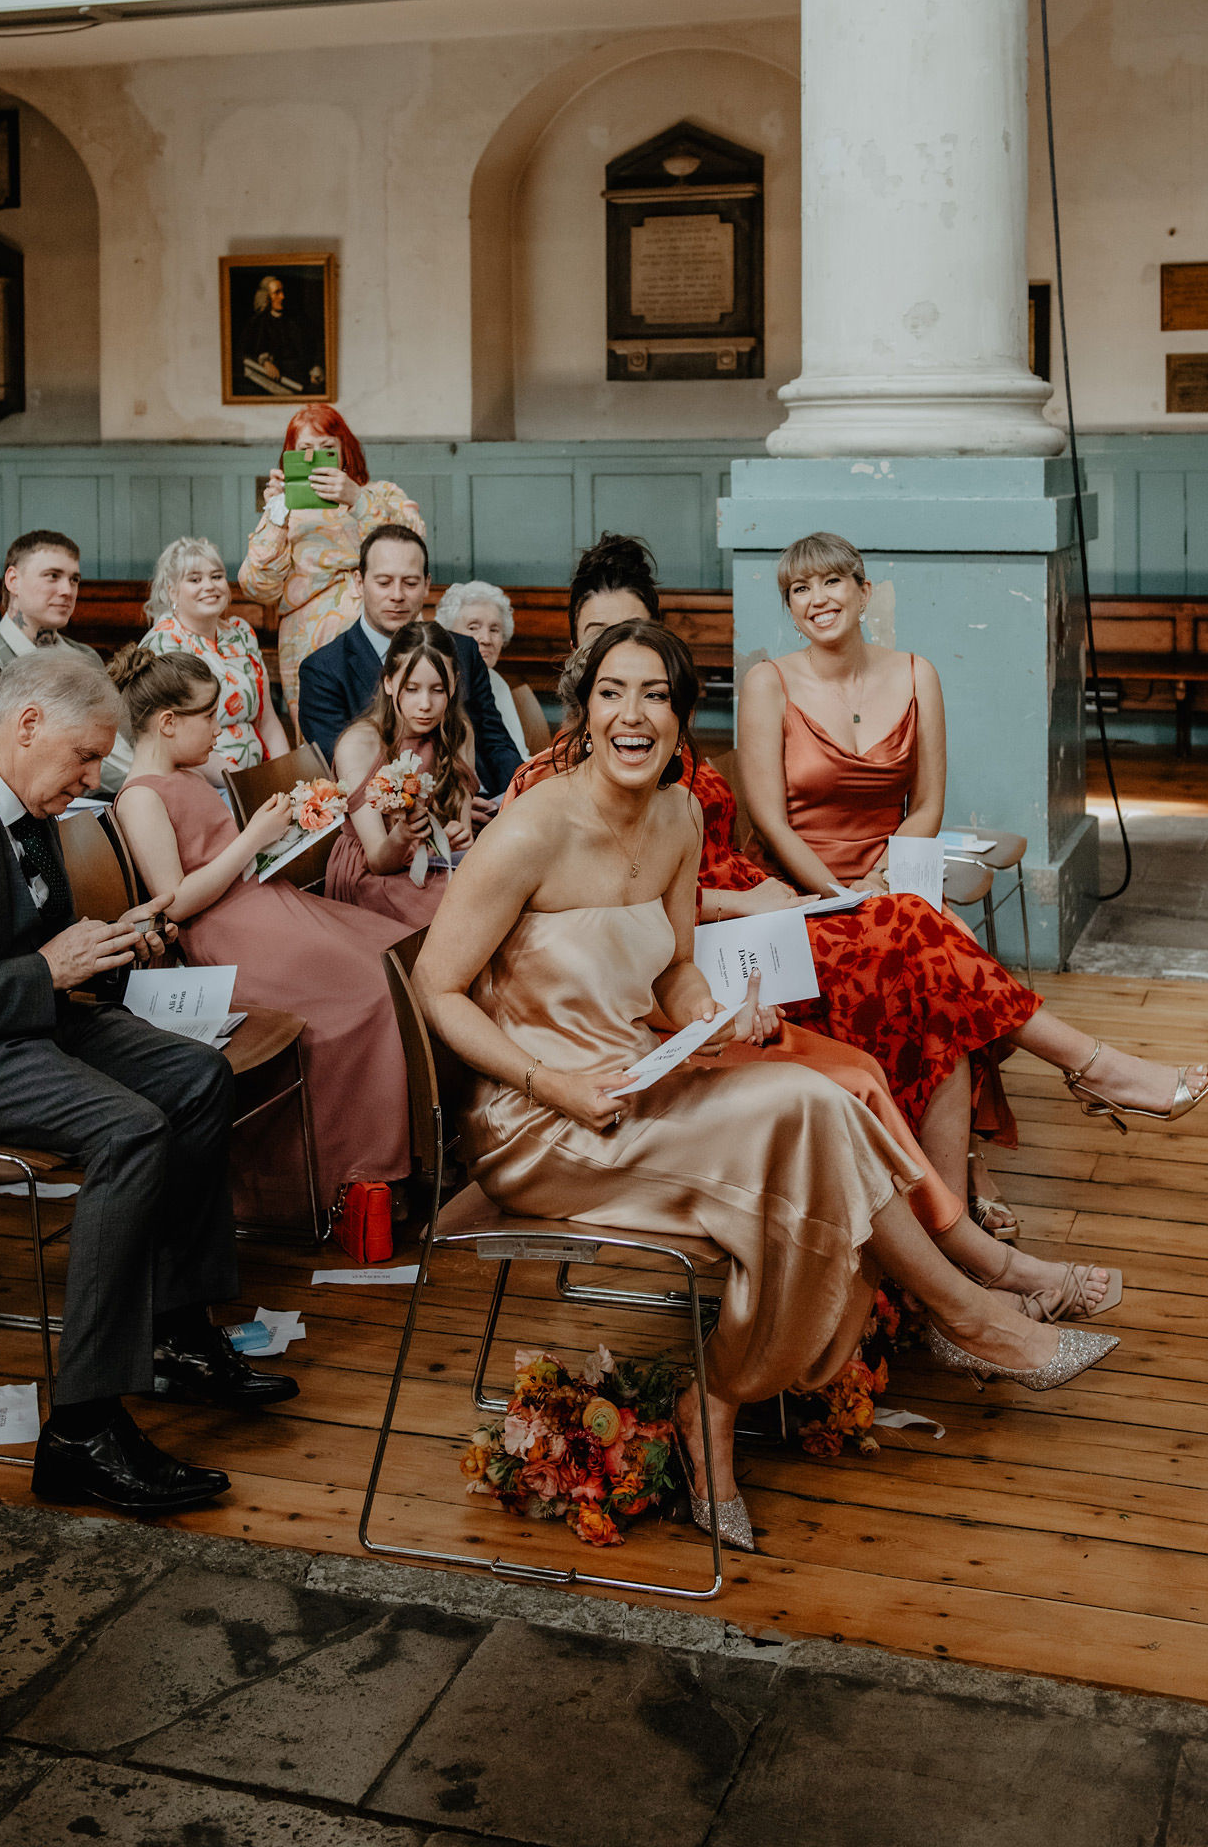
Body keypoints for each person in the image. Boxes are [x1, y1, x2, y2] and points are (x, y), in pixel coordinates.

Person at [415, 620, 1117, 1548]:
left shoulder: (675, 816)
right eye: (613, 693)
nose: (634, 714)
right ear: (582, 712)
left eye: (655, 695)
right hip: (545, 1122)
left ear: (677, 716)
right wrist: (555, 1084)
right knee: (810, 1114)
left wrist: (718, 1008)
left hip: (638, 1083)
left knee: (819, 1103)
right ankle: (961, 1318)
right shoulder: (532, 829)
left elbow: (669, 973)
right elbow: (436, 987)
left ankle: (739, 1391)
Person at [504, 536, 1117, 1325]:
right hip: (681, 976)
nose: (626, 691)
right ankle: (1046, 1129)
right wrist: (742, 904)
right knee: (909, 940)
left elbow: (703, 859)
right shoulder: (545, 784)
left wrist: (762, 894)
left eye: (642, 660)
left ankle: (952, 1253)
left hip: (744, 938)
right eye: (600, 650)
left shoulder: (674, 767)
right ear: (577, 666)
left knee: (923, 989)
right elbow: (605, 928)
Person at [0, 650, 298, 1514]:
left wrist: (112, 943)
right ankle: (81, 1430)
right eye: (82, 757)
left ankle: (174, 1334)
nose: (87, 779)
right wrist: (44, 970)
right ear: (26, 724)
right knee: (130, 1129)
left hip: (20, 1014)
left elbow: (38, 934)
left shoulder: (26, 794)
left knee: (194, 1075)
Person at [737, 530, 1208, 1227]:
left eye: (830, 582)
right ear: (789, 607)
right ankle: (1083, 1077)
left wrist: (881, 877)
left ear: (863, 591)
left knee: (926, 946)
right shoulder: (767, 682)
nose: (816, 599)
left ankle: (962, 1174)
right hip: (803, 895)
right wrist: (846, 895)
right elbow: (771, 821)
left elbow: (926, 803)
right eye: (798, 590)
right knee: (936, 944)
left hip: (891, 879)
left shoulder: (914, 672)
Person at [110, 647, 411, 1215]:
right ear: (168, 723)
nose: (220, 732)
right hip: (225, 935)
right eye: (208, 718)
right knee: (368, 993)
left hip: (259, 906)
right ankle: (351, 1171)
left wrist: (284, 830)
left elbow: (227, 857)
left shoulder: (184, 774)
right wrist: (253, 838)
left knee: (389, 952)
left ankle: (398, 1148)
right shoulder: (141, 796)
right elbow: (173, 903)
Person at [297, 524, 520, 798]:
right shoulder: (323, 670)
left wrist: (517, 799)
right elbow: (349, 773)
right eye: (383, 582)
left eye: (410, 583)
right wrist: (446, 805)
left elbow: (495, 740)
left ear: (427, 584)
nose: (397, 595)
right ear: (358, 582)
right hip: (392, 815)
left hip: (484, 799)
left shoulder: (463, 651)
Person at [237, 402, 426, 716]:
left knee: (405, 719)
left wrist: (357, 499)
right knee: (324, 739)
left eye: (327, 448)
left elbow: (413, 543)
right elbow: (257, 587)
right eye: (305, 450)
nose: (316, 457)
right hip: (311, 640)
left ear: (345, 450)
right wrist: (276, 514)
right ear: (290, 455)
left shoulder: (383, 494)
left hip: (390, 629)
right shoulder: (286, 509)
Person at [326, 621, 476, 927]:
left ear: (454, 684)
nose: (425, 705)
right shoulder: (359, 744)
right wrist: (405, 835)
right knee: (463, 919)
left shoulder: (459, 733)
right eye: (411, 689)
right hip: (374, 876)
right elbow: (378, 861)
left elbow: (462, 832)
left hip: (437, 865)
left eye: (438, 690)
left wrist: (457, 837)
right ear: (389, 682)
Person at [0, 529, 134, 795]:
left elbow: (126, 738)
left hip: (134, 790)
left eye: (74, 580)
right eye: (53, 576)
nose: (67, 591)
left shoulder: (85, 656)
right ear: (13, 580)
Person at [140, 536, 291, 776]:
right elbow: (174, 742)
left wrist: (286, 776)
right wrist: (242, 782)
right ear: (172, 591)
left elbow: (268, 720)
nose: (209, 586)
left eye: (217, 576)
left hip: (254, 775)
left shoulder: (241, 633)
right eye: (195, 579)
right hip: (201, 779)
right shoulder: (164, 642)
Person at [437, 580, 530, 762]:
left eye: (494, 629)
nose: (486, 639)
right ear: (449, 633)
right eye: (473, 627)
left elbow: (517, 752)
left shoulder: (496, 681)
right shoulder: (439, 685)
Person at [240, 274, 324, 395]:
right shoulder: (257, 323)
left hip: (304, 379)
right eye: (277, 293)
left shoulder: (297, 320)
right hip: (277, 383)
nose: (282, 297)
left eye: (283, 291)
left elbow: (317, 345)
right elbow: (244, 353)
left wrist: (317, 367)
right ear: (267, 297)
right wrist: (264, 362)